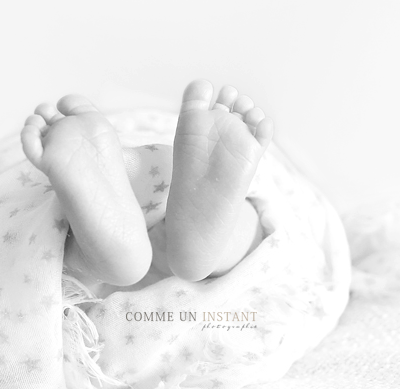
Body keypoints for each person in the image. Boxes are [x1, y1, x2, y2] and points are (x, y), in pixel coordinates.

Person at [20, 78, 275, 294]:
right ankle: (210, 253)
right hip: (216, 299)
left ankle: (100, 261)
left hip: (83, 307)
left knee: (60, 262)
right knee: (254, 229)